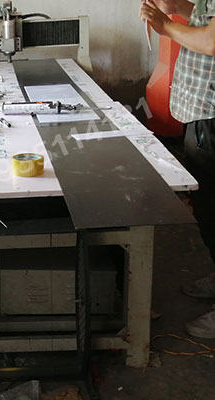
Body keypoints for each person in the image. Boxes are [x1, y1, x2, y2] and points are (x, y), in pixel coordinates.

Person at [140, 0, 215, 338]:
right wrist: (177, 7)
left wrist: (165, 25)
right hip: (201, 113)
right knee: (207, 207)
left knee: (214, 209)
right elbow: (205, 18)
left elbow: (211, 41)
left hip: (212, 115)